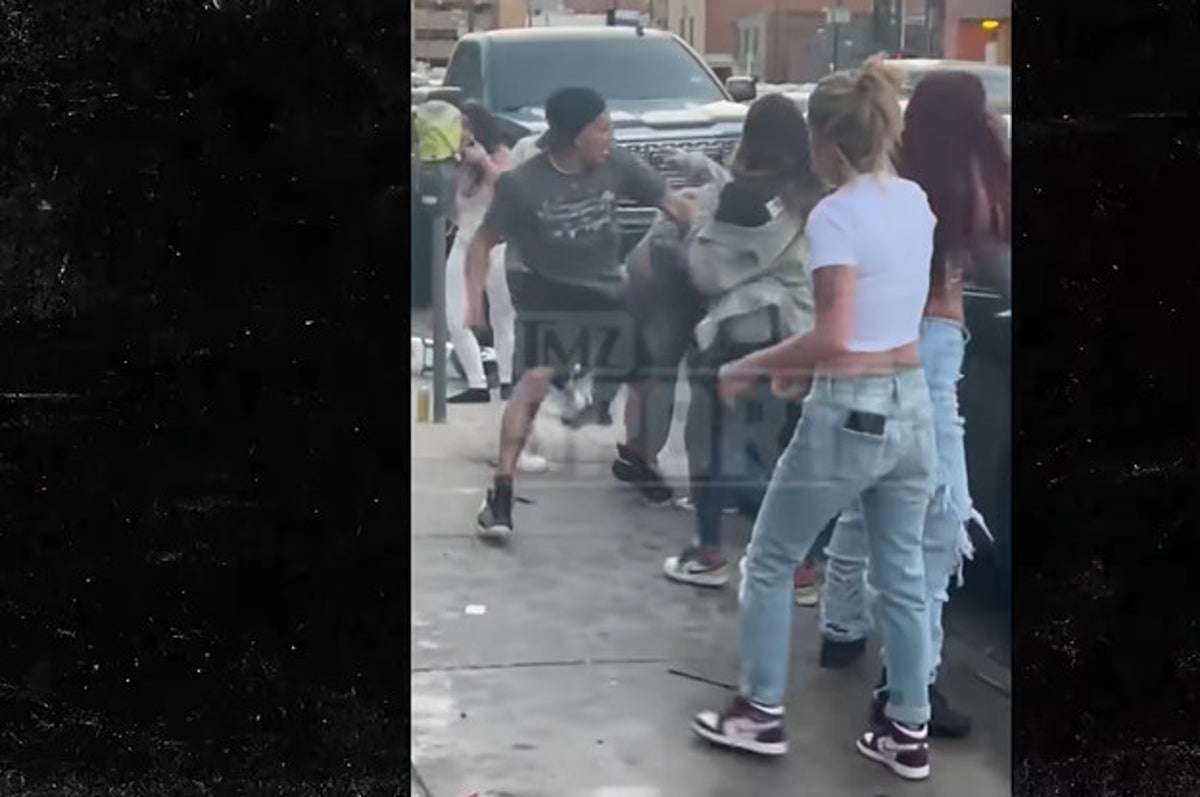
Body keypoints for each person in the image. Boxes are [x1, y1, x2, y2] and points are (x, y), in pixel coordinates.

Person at [691, 61, 939, 780]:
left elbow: (833, 333)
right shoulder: (915, 200)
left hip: (850, 412)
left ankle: (760, 711)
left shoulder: (834, 215)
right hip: (910, 403)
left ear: (826, 143)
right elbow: (884, 317)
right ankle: (907, 729)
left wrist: (750, 365)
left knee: (770, 557)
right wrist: (810, 364)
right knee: (901, 576)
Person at [817, 70, 1012, 740]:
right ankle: (910, 682)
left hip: (870, 347)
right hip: (928, 348)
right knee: (937, 520)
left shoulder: (887, 179)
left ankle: (842, 626)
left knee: (862, 489)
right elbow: (997, 265)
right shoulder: (960, 185)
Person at [465, 87, 692, 539]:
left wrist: (705, 237)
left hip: (608, 292)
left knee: (647, 381)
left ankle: (635, 457)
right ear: (574, 136)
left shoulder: (618, 165)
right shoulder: (522, 184)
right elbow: (483, 242)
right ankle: (501, 493)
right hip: (549, 294)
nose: (609, 136)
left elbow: (676, 207)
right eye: (602, 128)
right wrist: (475, 305)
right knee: (533, 384)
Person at [657, 95, 824, 606]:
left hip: (738, 339)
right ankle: (801, 565)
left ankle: (709, 554)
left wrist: (692, 230)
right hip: (799, 337)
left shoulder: (739, 197)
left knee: (711, 448)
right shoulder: (817, 193)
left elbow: (707, 270)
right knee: (787, 455)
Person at [445, 101, 515, 405]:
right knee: (455, 318)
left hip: (496, 246)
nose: (460, 132)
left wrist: (484, 162)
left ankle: (508, 380)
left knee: (503, 316)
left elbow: (510, 189)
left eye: (465, 126)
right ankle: (477, 383)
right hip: (464, 241)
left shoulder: (499, 156)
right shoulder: (454, 161)